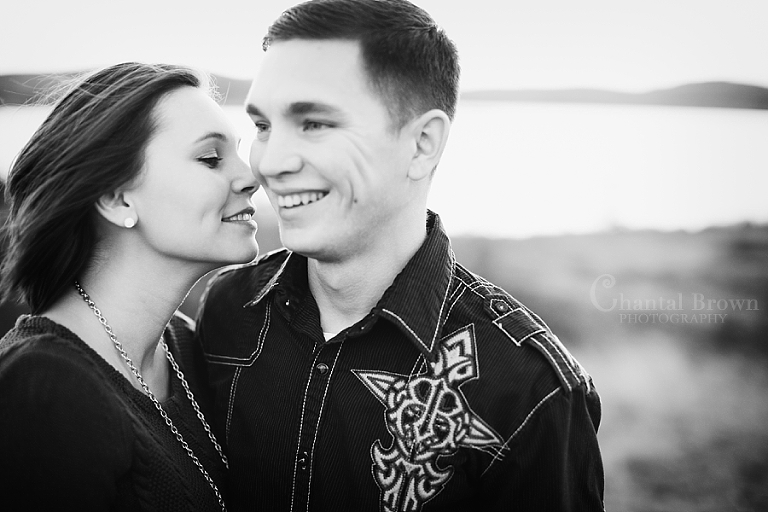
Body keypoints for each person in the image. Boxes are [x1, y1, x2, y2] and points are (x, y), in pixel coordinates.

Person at [196, 0, 605, 510]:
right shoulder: (229, 310)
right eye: (262, 126)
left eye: (315, 123)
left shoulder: (529, 390)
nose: (270, 163)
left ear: (422, 144)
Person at [0, 62, 260, 511]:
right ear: (117, 198)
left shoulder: (185, 344)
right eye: (211, 159)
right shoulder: (42, 390)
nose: (250, 178)